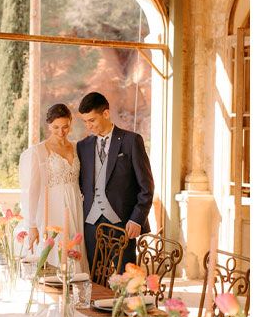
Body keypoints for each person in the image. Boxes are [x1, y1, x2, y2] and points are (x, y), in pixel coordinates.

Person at [76, 92, 153, 279]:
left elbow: (146, 186)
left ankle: (125, 309)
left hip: (123, 224)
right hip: (91, 224)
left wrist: (137, 219)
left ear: (106, 114)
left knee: (127, 280)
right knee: (95, 279)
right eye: (85, 121)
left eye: (92, 120)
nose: (89, 126)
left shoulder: (131, 141)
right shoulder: (82, 146)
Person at [18, 103, 86, 275]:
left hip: (76, 206)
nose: (61, 132)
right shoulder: (38, 152)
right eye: (56, 127)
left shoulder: (77, 147)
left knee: (75, 249)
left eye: (65, 126)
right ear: (48, 125)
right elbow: (31, 192)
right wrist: (32, 225)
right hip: (53, 209)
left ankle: (75, 293)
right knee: (57, 252)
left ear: (71, 122)